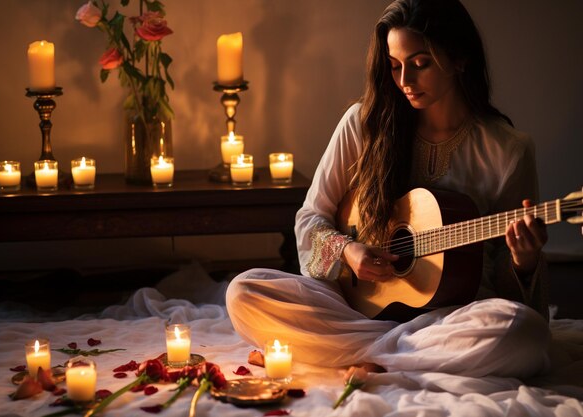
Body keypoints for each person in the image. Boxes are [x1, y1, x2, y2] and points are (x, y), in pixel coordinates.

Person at [226, 0, 550, 379]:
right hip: (357, 311)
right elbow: (309, 219)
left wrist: (523, 262)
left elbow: (510, 290)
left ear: (459, 58)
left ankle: (361, 355)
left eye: (420, 63)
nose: (404, 82)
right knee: (244, 293)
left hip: (451, 319)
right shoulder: (362, 125)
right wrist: (348, 251)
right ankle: (402, 357)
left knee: (524, 333)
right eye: (395, 66)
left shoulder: (508, 149)